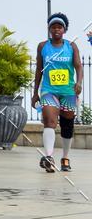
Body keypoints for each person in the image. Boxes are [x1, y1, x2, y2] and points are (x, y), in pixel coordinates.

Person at [32, 13, 83, 172]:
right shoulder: (42, 46)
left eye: (59, 27)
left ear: (64, 29)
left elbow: (79, 66)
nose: (56, 29)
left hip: (68, 91)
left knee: (67, 123)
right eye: (53, 27)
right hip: (49, 90)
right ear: (49, 29)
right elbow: (39, 71)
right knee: (49, 121)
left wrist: (79, 83)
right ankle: (49, 157)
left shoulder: (71, 46)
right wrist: (35, 93)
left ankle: (65, 158)